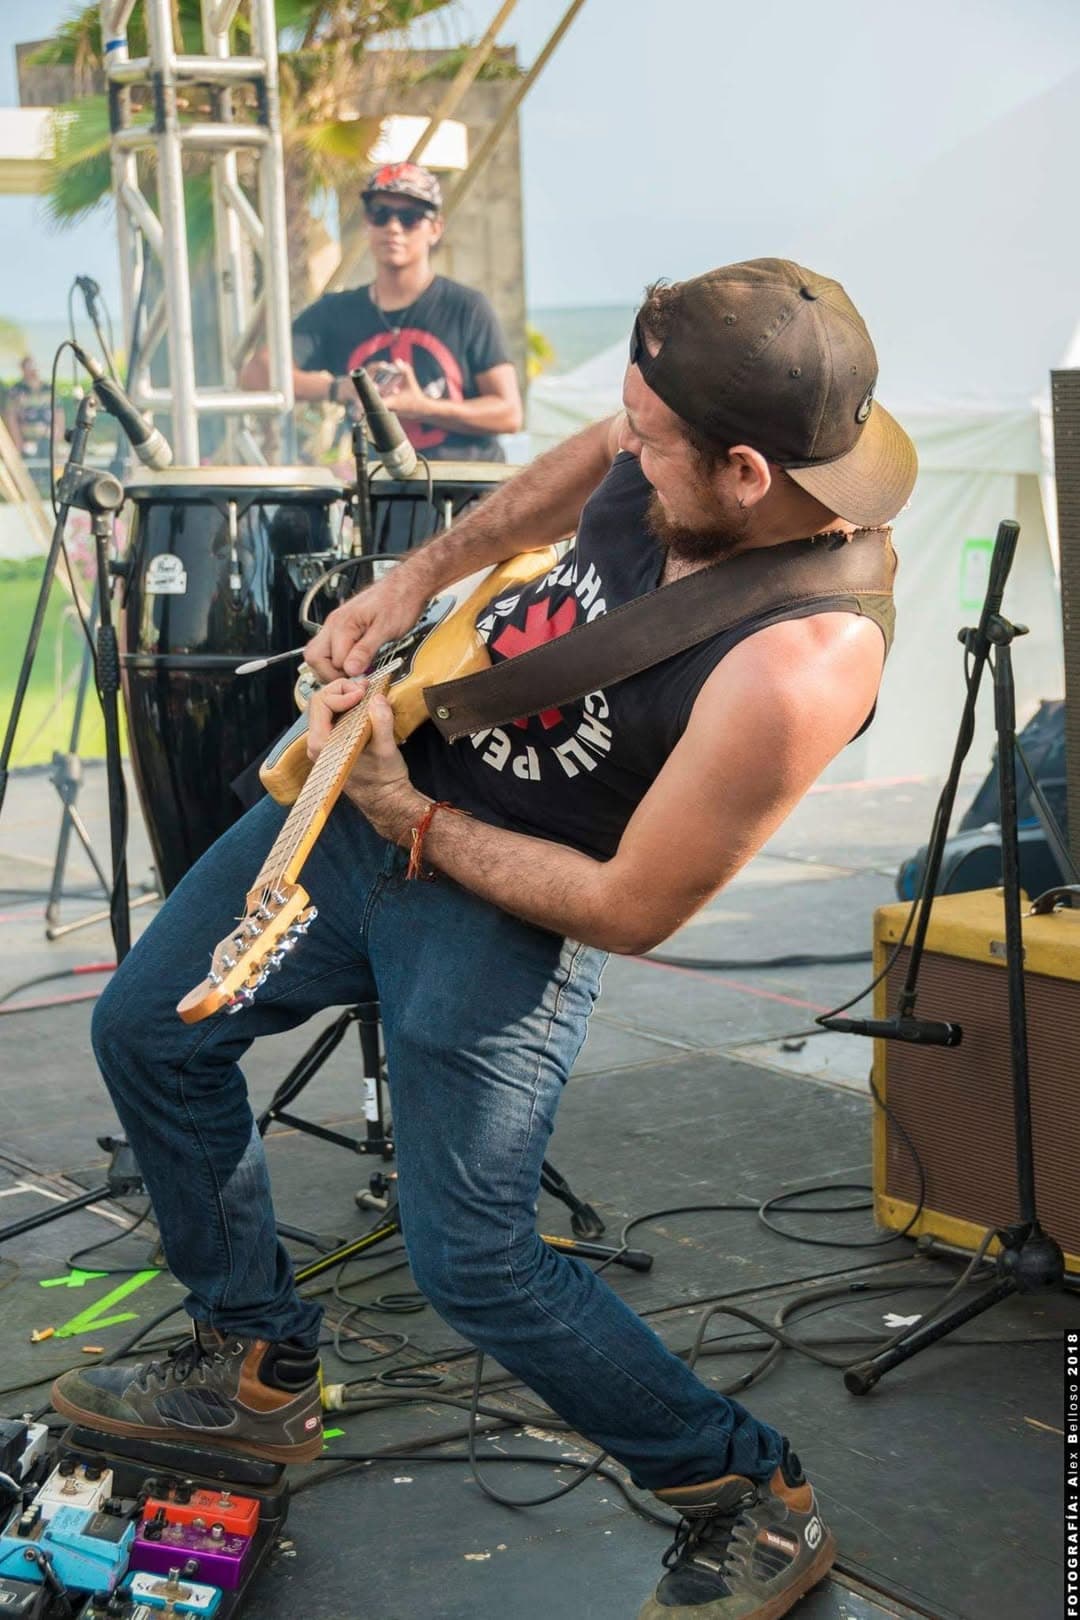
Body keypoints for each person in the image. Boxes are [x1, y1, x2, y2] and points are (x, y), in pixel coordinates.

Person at [53, 258, 916, 1620]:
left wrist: (416, 823)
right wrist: (413, 586)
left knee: (472, 1258)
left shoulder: (800, 658)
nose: (626, 447)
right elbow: (582, 463)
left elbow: (638, 907)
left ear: (747, 473)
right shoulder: (671, 435)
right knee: (148, 1034)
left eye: (652, 441)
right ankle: (255, 1363)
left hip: (511, 892)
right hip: (390, 793)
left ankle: (746, 1488)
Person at [243, 160, 522, 463]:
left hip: (467, 497)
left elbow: (508, 413)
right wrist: (341, 389)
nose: (393, 227)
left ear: (435, 229)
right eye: (381, 214)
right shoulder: (337, 311)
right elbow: (257, 373)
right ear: (367, 223)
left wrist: (424, 406)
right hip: (381, 496)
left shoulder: (467, 308)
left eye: (410, 217)